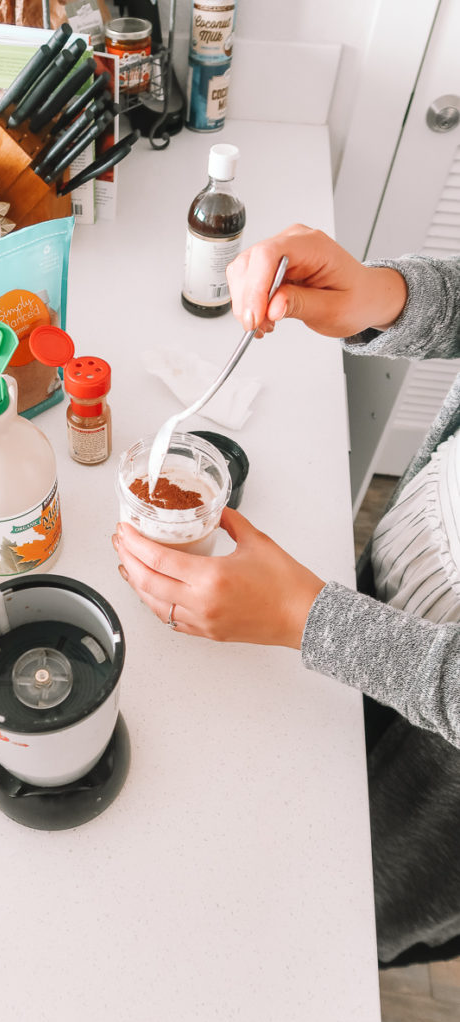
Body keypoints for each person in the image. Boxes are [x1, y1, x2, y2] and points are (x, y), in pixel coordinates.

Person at [112, 223, 460, 968]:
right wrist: (382, 296)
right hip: (407, 587)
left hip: (437, 796)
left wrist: (307, 617)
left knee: (323, 918)